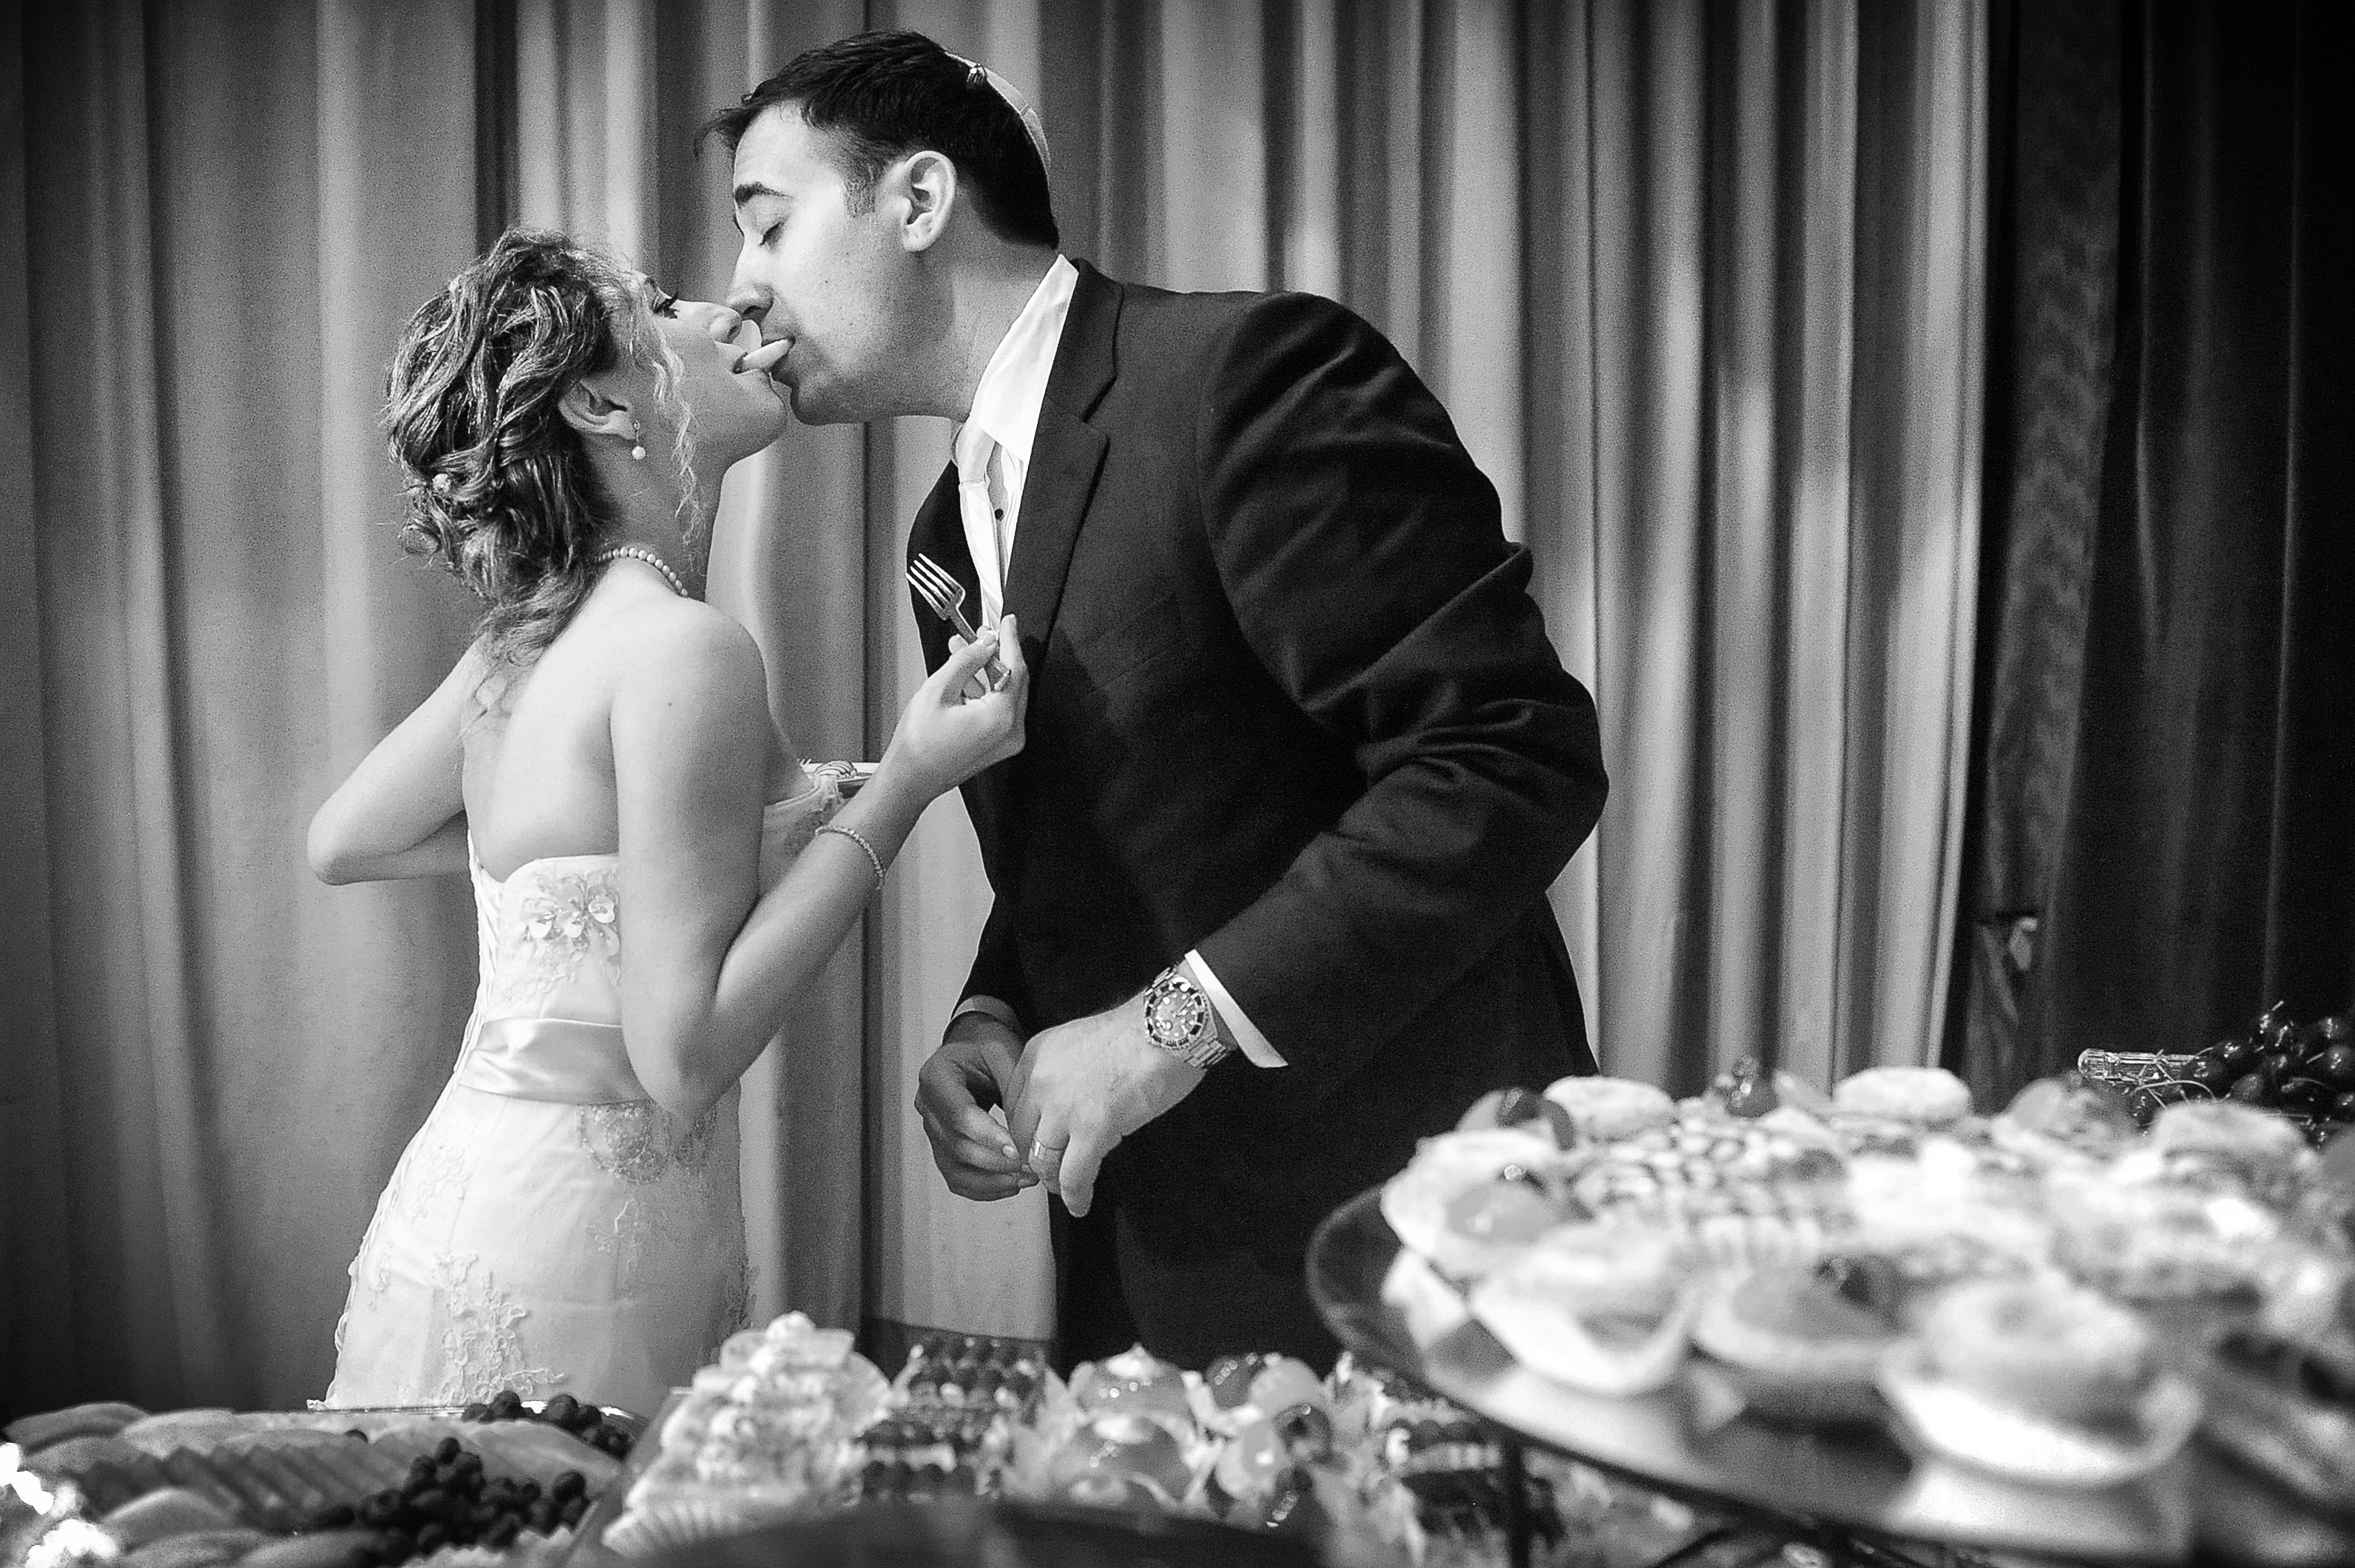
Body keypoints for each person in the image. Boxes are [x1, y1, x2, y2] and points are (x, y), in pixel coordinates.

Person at [706, 31, 1608, 1371]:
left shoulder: (1245, 378)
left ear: (916, 201)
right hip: (1144, 1237)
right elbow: (1103, 833)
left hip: (1392, 1211)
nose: (742, 292)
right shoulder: (941, 539)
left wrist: (1163, 1029)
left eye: (769, 228)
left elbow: (1504, 756)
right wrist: (991, 1015)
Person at [308, 229, 1027, 1415]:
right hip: (585, 1262)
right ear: (600, 403)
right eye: (663, 306)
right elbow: (683, 1060)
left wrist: (683, 859)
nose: (728, 311)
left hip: (472, 1206)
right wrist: (904, 784)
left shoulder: (521, 647)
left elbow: (348, 840)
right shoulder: (684, 648)